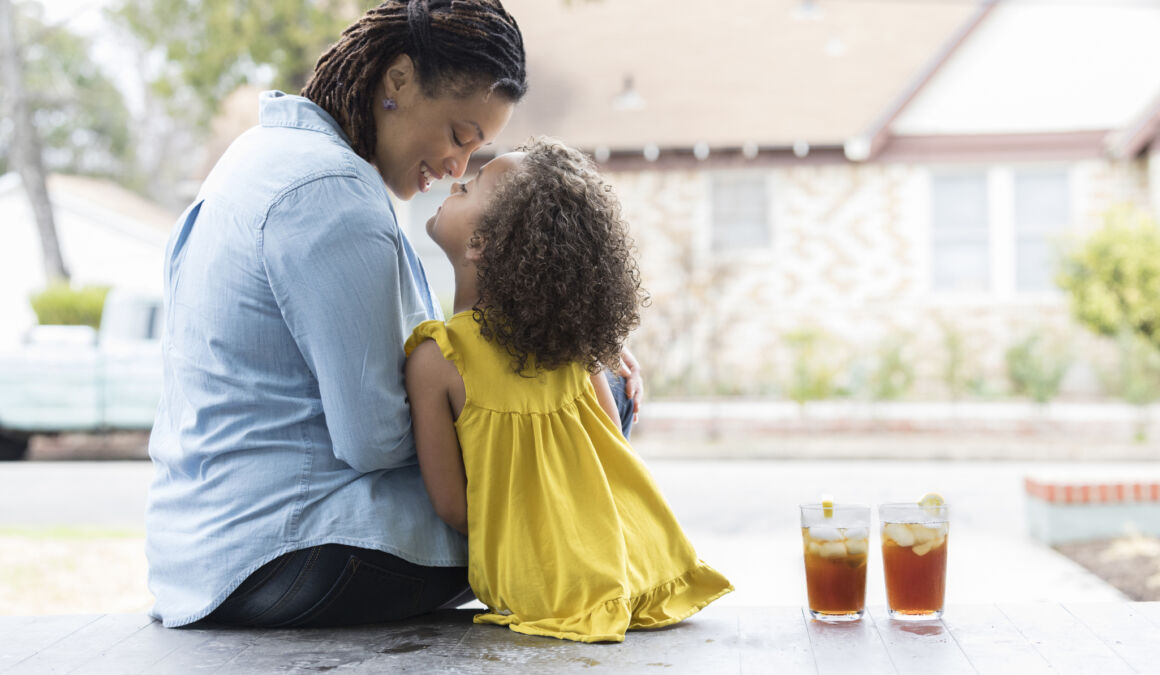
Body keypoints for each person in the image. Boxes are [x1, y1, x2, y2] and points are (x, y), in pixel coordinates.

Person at [145, 0, 644, 630]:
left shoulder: (266, 152)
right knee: (589, 412)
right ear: (399, 80)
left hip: (208, 549)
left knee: (559, 398)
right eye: (461, 136)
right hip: (289, 551)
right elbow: (374, 441)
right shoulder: (328, 196)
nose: (459, 168)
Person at [403, 138, 733, 643]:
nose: (455, 181)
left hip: (532, 587)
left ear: (480, 244)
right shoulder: (573, 351)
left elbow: (455, 510)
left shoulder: (437, 358)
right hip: (635, 564)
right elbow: (608, 451)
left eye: (467, 188)